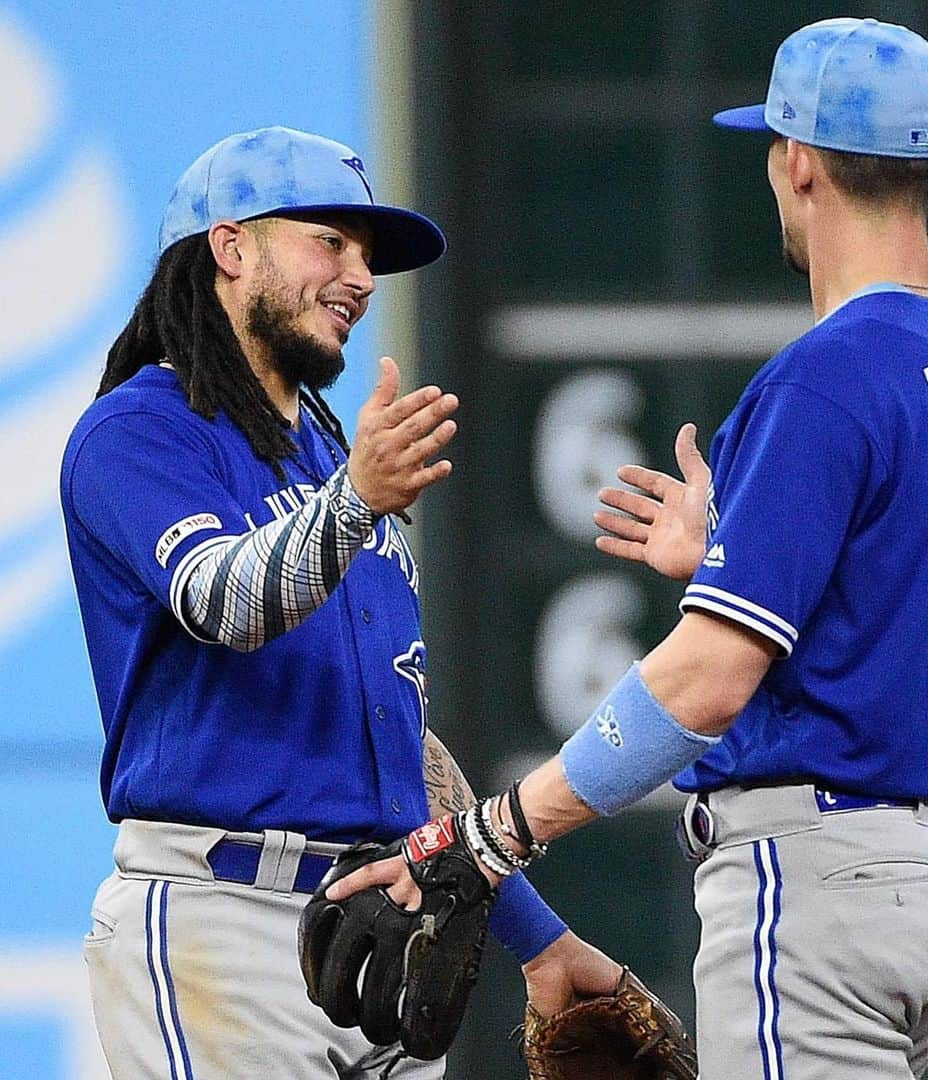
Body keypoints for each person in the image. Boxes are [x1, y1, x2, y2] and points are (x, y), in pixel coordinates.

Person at [332, 20, 928, 1080]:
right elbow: (882, 605)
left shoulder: (829, 374)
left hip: (824, 885)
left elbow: (708, 682)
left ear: (798, 159)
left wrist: (491, 838)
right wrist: (729, 562)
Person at [60, 126, 618, 1080]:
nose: (361, 276)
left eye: (369, 257)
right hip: (220, 924)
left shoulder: (327, 459)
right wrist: (356, 498)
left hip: (380, 930)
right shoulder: (138, 432)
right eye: (331, 240)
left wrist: (538, 936)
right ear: (230, 249)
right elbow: (223, 602)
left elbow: (406, 750)